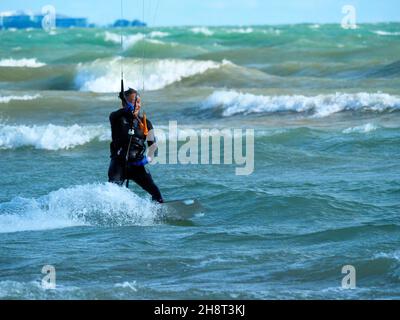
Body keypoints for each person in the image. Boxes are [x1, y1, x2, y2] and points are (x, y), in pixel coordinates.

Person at [108, 87, 164, 203]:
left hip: (137, 165)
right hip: (118, 164)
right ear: (125, 103)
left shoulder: (146, 123)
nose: (136, 105)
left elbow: (153, 147)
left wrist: (147, 159)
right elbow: (114, 115)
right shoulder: (117, 117)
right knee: (111, 196)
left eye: (138, 102)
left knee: (157, 194)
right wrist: (125, 110)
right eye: (133, 102)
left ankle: (159, 210)